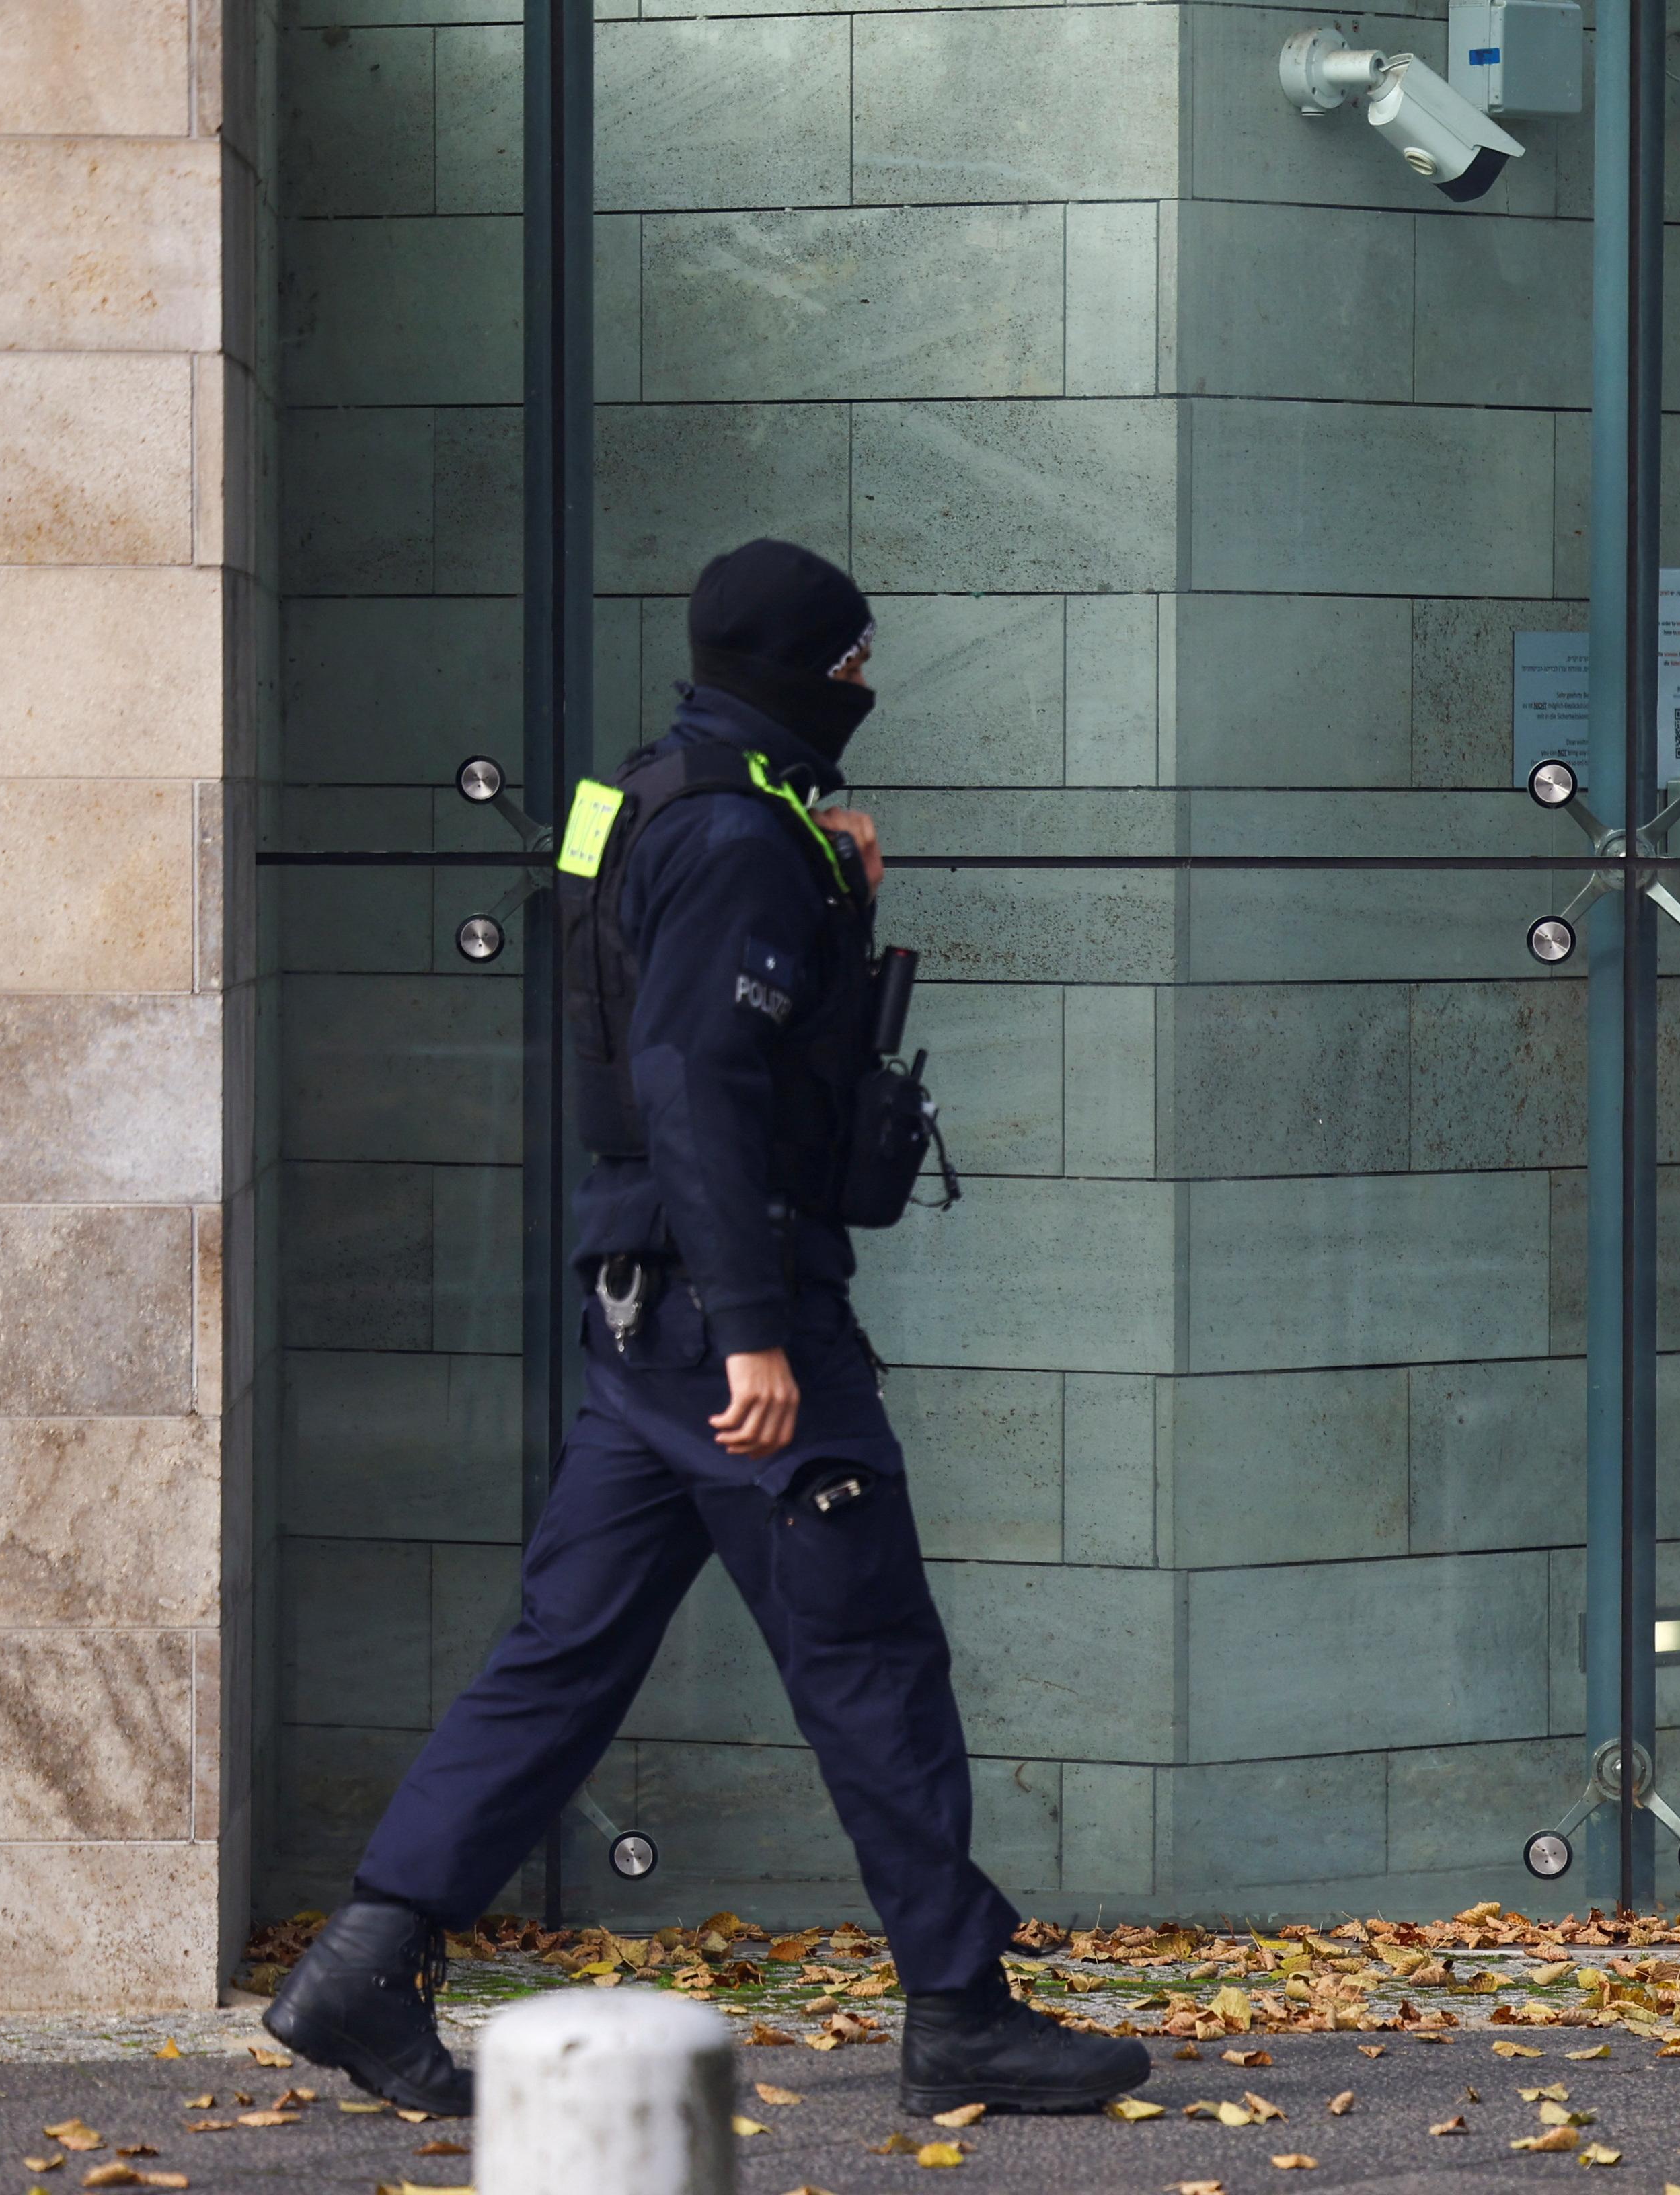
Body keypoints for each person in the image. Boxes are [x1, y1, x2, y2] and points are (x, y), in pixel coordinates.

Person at [265, 540, 1147, 2122]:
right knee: (869, 1649)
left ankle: (363, 1963)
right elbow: (692, 1081)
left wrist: (833, 891)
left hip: (641, 1310)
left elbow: (640, 985)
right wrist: (754, 1331)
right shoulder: (742, 834)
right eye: (858, 663)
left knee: (564, 1654)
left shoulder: (657, 795)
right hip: (727, 1313)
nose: (869, 688)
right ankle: (959, 2008)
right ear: (811, 668)